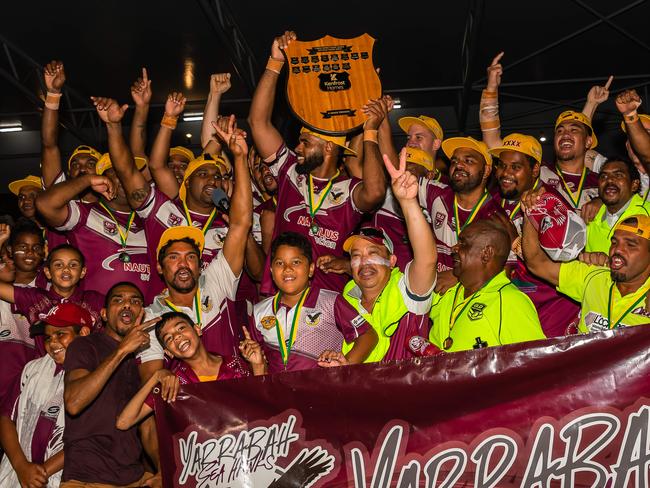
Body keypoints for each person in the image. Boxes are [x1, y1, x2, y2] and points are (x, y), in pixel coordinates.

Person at [247, 30, 387, 294]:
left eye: (306, 142)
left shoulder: (348, 190)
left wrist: (370, 132)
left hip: (329, 300)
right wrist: (275, 63)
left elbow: (376, 191)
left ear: (329, 147)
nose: (297, 147)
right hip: (282, 298)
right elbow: (258, 123)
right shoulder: (289, 171)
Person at [341, 149, 437, 362]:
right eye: (356, 256)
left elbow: (427, 260)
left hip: (403, 393)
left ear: (392, 261)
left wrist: (408, 202)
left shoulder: (406, 291)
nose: (363, 262)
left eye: (373, 253)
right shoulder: (346, 298)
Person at [61, 282, 160, 487]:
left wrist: (163, 470)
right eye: (118, 300)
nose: (127, 305)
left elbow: (148, 428)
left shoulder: (142, 361)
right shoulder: (85, 346)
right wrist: (122, 350)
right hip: (87, 478)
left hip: (133, 477)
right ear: (104, 314)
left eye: (135, 301)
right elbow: (74, 402)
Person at [488, 133, 582, 337]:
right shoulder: (493, 200)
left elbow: (560, 259)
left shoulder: (551, 203)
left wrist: (515, 241)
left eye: (516, 167)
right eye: (502, 165)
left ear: (535, 170)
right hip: (511, 302)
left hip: (550, 307)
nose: (506, 173)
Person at [479, 52, 598, 211]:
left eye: (573, 130)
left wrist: (591, 105)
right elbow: (492, 139)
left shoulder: (600, 181)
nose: (565, 134)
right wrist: (491, 89)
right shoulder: (541, 173)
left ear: (588, 141)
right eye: (560, 131)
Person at [35, 144, 153, 300]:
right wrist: (88, 179)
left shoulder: (149, 217)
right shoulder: (85, 213)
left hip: (145, 316)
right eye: (117, 173)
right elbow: (45, 204)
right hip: (94, 318)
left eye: (130, 173)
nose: (126, 178)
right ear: (103, 181)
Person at [250, 231, 377, 372]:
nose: (287, 269)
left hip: (321, 390)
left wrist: (346, 364)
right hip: (277, 392)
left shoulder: (330, 301)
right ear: (272, 271)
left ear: (310, 269)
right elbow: (259, 361)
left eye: (296, 262)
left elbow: (368, 335)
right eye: (280, 263)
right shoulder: (260, 311)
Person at [116, 311, 265, 431]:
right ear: (169, 352)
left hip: (247, 456)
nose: (177, 337)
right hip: (206, 463)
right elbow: (124, 422)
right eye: (169, 338)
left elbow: (263, 406)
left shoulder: (236, 364)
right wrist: (156, 376)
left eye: (181, 328)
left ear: (197, 329)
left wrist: (258, 366)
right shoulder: (173, 384)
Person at [0, 303, 92, 488]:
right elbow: (5, 418)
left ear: (83, 333)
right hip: (16, 475)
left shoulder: (97, 374)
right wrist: (21, 467)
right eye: (48, 337)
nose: (52, 343)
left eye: (61, 334)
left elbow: (90, 438)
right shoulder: (33, 369)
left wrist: (40, 473)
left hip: (62, 478)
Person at [523, 203, 650, 333]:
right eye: (614, 242)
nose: (617, 249)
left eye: (631, 244)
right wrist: (531, 211)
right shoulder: (593, 277)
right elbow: (537, 263)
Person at [429, 220, 546, 352]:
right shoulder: (445, 291)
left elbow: (535, 362)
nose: (454, 248)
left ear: (486, 253)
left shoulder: (510, 301)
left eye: (463, 243)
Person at [418, 136, 505, 294]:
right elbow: (396, 179)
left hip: (471, 297)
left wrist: (458, 276)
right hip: (434, 293)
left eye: (469, 161)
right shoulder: (437, 194)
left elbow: (506, 269)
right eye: (454, 161)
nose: (458, 165)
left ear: (486, 170)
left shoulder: (496, 216)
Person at [0, 224, 104, 333]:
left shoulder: (95, 300)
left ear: (82, 272)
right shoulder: (34, 298)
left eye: (73, 265)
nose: (66, 269)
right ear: (48, 272)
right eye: (58, 265)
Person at [40, 61, 102, 203]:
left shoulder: (117, 203)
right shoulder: (65, 206)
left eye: (91, 164)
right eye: (75, 165)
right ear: (68, 173)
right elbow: (49, 145)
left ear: (102, 171)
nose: (82, 169)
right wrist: (53, 93)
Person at [586, 158, 649, 253]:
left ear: (634, 185)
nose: (609, 179)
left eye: (618, 175)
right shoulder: (590, 217)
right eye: (603, 176)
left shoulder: (647, 213)